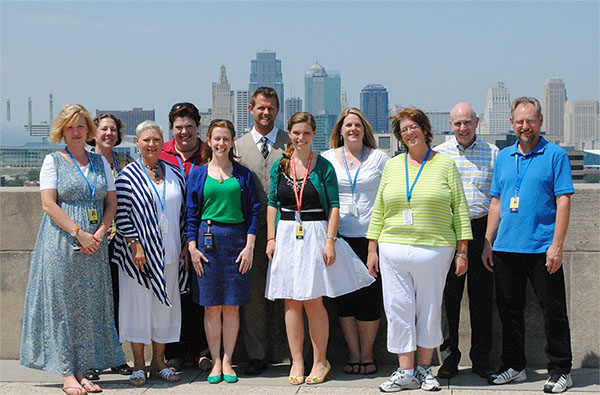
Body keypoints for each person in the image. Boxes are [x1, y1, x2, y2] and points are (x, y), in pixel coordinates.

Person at [20, 104, 125, 395]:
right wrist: (79, 233)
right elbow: (48, 204)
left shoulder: (100, 162)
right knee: (63, 307)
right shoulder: (53, 161)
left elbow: (111, 202)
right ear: (62, 131)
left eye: (80, 126)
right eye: (70, 127)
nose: (76, 132)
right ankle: (67, 371)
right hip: (62, 243)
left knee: (88, 308)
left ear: (88, 129)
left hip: (95, 244)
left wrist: (101, 233)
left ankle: (82, 369)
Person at [366, 107, 472, 392]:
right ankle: (405, 371)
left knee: (428, 310)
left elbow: (460, 210)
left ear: (425, 129)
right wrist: (372, 248)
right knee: (398, 309)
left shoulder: (445, 165)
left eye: (413, 127)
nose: (409, 133)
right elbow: (379, 209)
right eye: (403, 130)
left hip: (435, 248)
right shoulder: (392, 165)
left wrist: (463, 252)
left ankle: (425, 370)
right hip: (392, 248)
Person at [265, 112, 375, 386]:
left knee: (314, 300)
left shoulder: (324, 166)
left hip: (315, 232)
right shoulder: (280, 166)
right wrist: (271, 238)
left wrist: (330, 240)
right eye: (295, 133)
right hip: (288, 233)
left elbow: (334, 205)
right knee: (291, 301)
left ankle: (319, 360)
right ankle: (297, 360)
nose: (300, 138)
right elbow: (272, 204)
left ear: (314, 134)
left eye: (305, 133)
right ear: (289, 134)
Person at [482, 97, 574, 393]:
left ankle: (561, 369)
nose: (525, 126)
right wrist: (487, 242)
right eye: (520, 121)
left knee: (553, 311)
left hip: (541, 247)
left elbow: (563, 201)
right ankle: (514, 365)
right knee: (509, 311)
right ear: (512, 124)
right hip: (506, 247)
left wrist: (556, 246)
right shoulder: (505, 156)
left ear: (540, 121)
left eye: (530, 120)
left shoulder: (555, 155)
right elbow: (496, 201)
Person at [112, 121, 187, 386]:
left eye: (156, 140)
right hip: (138, 258)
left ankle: (159, 361)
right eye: (146, 140)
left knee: (163, 309)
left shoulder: (175, 173)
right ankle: (139, 365)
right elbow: (121, 215)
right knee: (137, 308)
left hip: (170, 253)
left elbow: (183, 213)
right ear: (137, 143)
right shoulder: (127, 176)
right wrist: (135, 244)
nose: (151, 145)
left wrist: (186, 245)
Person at [187, 120, 260, 384]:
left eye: (226, 139)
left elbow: (253, 211)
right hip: (206, 244)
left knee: (231, 307)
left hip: (237, 244)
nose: (221, 144)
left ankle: (228, 360)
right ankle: (215, 360)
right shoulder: (197, 174)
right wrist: (192, 247)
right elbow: (191, 214)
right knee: (211, 307)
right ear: (209, 140)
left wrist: (250, 245)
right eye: (216, 139)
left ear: (232, 142)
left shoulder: (243, 174)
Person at [321, 108, 389, 375]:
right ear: (339, 130)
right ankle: (353, 353)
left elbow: (387, 198)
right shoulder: (328, 159)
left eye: (357, 125)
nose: (352, 129)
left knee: (369, 300)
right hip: (339, 238)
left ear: (365, 130)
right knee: (345, 300)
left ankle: (368, 353)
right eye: (347, 125)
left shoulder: (380, 159)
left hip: (370, 239)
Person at [434, 103, 498, 379]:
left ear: (477, 122)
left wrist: (490, 240)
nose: (463, 128)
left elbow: (498, 198)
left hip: (482, 230)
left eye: (467, 123)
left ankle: (481, 359)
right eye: (458, 123)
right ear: (450, 124)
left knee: (482, 299)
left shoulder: (493, 154)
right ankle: (448, 359)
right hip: (449, 232)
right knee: (448, 298)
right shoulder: (439, 154)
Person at [235, 87, 289, 375]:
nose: (265, 112)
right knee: (254, 295)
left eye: (271, 108)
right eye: (260, 108)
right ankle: (256, 354)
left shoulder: (290, 143)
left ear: (277, 110)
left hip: (288, 231)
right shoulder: (237, 147)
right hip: (251, 233)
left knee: (291, 293)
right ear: (251, 110)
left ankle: (290, 352)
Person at [159, 102, 210, 372]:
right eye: (179, 127)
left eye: (189, 127)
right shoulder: (162, 153)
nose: (184, 132)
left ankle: (202, 350)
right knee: (173, 293)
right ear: (172, 129)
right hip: (168, 234)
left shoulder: (208, 152)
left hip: (203, 232)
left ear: (197, 127)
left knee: (199, 293)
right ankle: (175, 351)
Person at [83, 113, 134, 380]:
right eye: (104, 129)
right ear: (94, 132)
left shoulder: (126, 163)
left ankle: (115, 356)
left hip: (120, 242)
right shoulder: (85, 162)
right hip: (93, 240)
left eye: (113, 130)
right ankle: (89, 360)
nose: (109, 134)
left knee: (116, 301)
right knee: (92, 302)